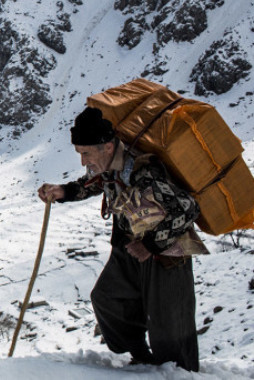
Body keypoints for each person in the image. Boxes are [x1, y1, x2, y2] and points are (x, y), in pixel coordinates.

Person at [37, 107, 207, 371]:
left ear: (106, 147)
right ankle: (141, 356)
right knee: (107, 299)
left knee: (170, 326)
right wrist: (64, 191)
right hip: (130, 247)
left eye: (86, 153)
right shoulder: (111, 166)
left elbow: (187, 208)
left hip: (166, 254)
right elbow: (94, 183)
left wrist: (151, 245)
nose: (83, 161)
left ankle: (180, 374)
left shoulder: (144, 172)